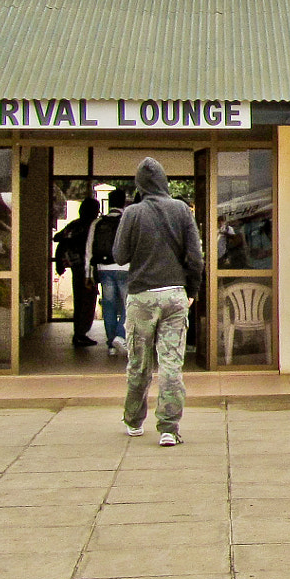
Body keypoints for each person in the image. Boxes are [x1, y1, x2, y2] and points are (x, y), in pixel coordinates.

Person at [115, 159, 205, 446]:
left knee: (138, 363)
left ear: (140, 185)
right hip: (176, 296)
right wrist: (192, 290)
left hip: (141, 296)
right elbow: (196, 257)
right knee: (171, 364)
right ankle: (168, 427)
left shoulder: (132, 213)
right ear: (165, 182)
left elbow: (119, 255)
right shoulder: (181, 210)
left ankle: (133, 419)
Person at [53, 196, 100, 347]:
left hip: (75, 266)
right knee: (87, 300)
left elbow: (58, 237)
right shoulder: (92, 226)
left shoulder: (74, 224)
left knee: (79, 300)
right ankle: (81, 333)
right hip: (88, 268)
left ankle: (79, 332)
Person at [89, 186, 131, 357]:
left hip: (103, 269)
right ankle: (121, 334)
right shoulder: (127, 221)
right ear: (123, 203)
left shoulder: (98, 222)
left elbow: (89, 249)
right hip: (125, 268)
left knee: (109, 306)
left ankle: (111, 345)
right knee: (130, 304)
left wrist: (88, 273)